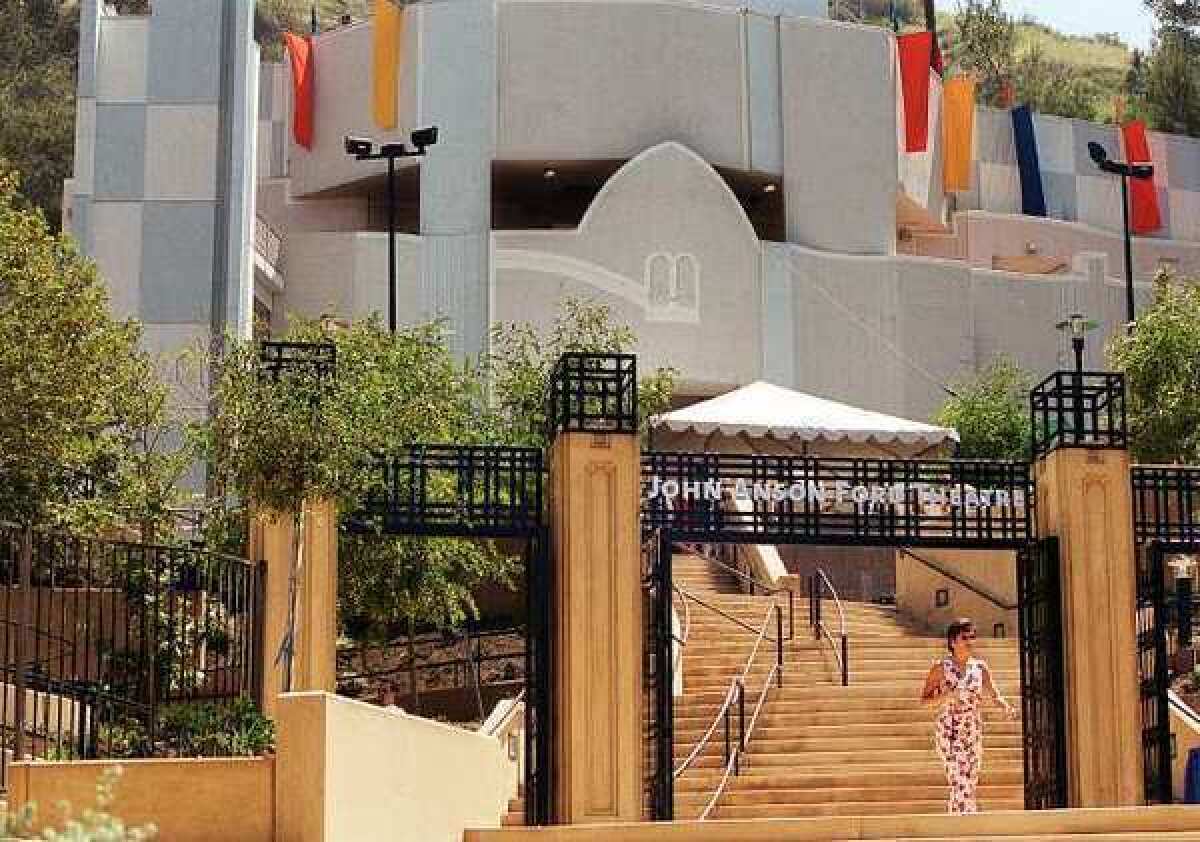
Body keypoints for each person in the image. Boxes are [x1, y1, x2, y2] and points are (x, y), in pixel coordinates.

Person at [920, 618, 1017, 814]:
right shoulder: (941, 667)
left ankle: (957, 825)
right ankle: (967, 823)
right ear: (953, 641)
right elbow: (924, 700)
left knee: (970, 781)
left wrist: (1006, 707)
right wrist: (947, 695)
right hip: (950, 729)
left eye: (972, 637)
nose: (970, 641)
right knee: (959, 781)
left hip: (972, 729)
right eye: (965, 637)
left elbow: (994, 694)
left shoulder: (980, 667)